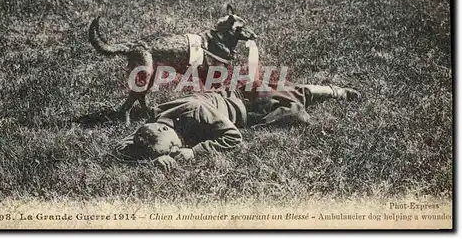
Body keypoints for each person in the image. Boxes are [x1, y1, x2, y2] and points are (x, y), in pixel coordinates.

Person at [115, 82, 360, 171]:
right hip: (233, 98)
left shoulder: (197, 111)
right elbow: (125, 145)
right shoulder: (157, 121)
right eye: (171, 152)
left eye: (172, 148)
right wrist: (153, 157)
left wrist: (195, 151)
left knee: (296, 105)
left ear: (166, 131)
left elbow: (233, 136)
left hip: (248, 104)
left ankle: (335, 91)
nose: (175, 151)